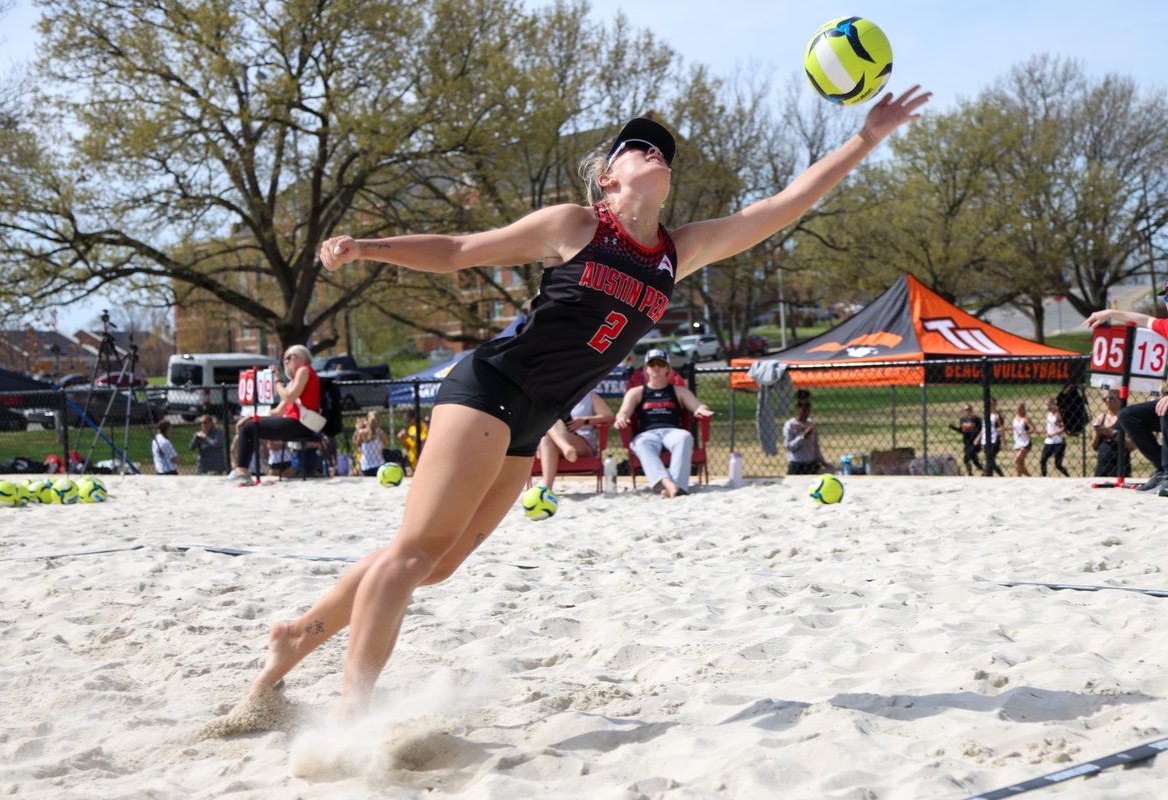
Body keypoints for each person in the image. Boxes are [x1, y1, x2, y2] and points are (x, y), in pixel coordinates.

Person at [231, 91, 930, 717]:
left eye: (662, 149)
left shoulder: (673, 253)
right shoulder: (576, 225)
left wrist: (864, 138)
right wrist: (366, 247)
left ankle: (298, 634)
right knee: (413, 557)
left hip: (532, 418)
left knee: (434, 564)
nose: (654, 150)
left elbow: (779, 206)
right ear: (608, 177)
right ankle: (354, 718)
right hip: (488, 389)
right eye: (637, 144)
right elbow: (457, 248)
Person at [1083, 298, 1168, 490]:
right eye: (1167, 298)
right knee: (1129, 415)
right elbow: (1144, 319)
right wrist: (1109, 313)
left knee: (1165, 409)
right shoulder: (1166, 326)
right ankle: (1162, 468)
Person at [614, 349, 712, 497]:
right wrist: (621, 418)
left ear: (668, 368)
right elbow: (623, 412)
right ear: (646, 368)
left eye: (661, 363)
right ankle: (668, 484)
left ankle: (677, 486)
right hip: (648, 434)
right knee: (640, 443)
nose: (656, 367)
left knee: (685, 437)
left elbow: (697, 406)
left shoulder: (679, 391)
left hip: (672, 432)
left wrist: (703, 410)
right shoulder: (636, 392)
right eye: (652, 364)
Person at [227, 345, 321, 485]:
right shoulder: (295, 381)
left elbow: (288, 398)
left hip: (301, 423)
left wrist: (277, 381)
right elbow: (278, 411)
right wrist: (253, 416)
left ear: (303, 358)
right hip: (295, 422)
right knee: (249, 425)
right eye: (285, 359)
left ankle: (242, 471)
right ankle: (243, 471)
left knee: (248, 428)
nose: (287, 361)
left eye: (290, 357)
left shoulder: (304, 370)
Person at [537, 388, 615, 490]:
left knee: (549, 429)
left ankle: (546, 489)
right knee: (551, 425)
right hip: (553, 441)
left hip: (582, 440)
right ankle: (565, 448)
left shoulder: (589, 397)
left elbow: (609, 417)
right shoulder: (555, 397)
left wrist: (584, 421)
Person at [1091, 389, 1135, 478]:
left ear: (1120, 399)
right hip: (1102, 469)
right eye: (1104, 398)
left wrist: (1113, 434)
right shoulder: (1100, 418)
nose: (1107, 401)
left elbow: (1132, 446)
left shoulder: (1126, 418)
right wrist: (1097, 433)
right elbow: (1094, 447)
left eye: (1111, 398)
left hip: (1121, 468)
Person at [782, 397, 829, 475]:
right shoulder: (790, 425)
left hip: (811, 464)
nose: (806, 414)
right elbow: (789, 447)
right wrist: (803, 437)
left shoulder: (811, 424)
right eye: (803, 411)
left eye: (808, 411)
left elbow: (815, 446)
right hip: (797, 464)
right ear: (797, 409)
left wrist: (823, 462)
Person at [973, 399, 1005, 476]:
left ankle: (988, 474)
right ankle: (991, 474)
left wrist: (1004, 442)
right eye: (989, 404)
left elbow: (1001, 429)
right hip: (985, 440)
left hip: (994, 440)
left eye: (992, 404)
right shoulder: (986, 415)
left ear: (995, 404)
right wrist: (978, 438)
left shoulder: (997, 416)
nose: (990, 405)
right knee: (990, 461)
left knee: (990, 460)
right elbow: (984, 428)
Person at [949, 404, 983, 476]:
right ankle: (985, 470)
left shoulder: (977, 420)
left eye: (968, 409)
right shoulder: (963, 420)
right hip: (966, 443)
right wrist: (953, 427)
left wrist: (978, 439)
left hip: (974, 443)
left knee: (966, 458)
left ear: (971, 410)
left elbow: (981, 431)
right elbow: (961, 430)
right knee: (975, 462)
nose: (967, 411)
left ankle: (970, 474)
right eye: (965, 410)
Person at [1040, 396, 1070, 477]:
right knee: (1043, 460)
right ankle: (1044, 477)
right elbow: (1049, 427)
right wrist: (1043, 431)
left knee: (1058, 464)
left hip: (1058, 441)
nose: (1048, 408)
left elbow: (1063, 428)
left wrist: (1053, 434)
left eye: (1049, 406)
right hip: (1049, 441)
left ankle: (1068, 476)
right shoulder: (1049, 414)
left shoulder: (1058, 414)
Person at [354, 411, 388, 477]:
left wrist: (358, 429)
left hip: (365, 466)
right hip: (379, 464)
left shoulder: (361, 433)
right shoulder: (381, 433)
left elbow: (357, 445)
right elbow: (385, 445)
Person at [1011, 402, 1035, 477]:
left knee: (1016, 461)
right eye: (1017, 409)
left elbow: (1032, 429)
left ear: (1023, 409)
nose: (1018, 410)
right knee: (1020, 464)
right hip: (1017, 442)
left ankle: (1029, 477)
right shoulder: (1015, 418)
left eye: (1020, 409)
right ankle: (1019, 478)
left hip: (1025, 442)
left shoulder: (1025, 419)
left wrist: (1025, 432)